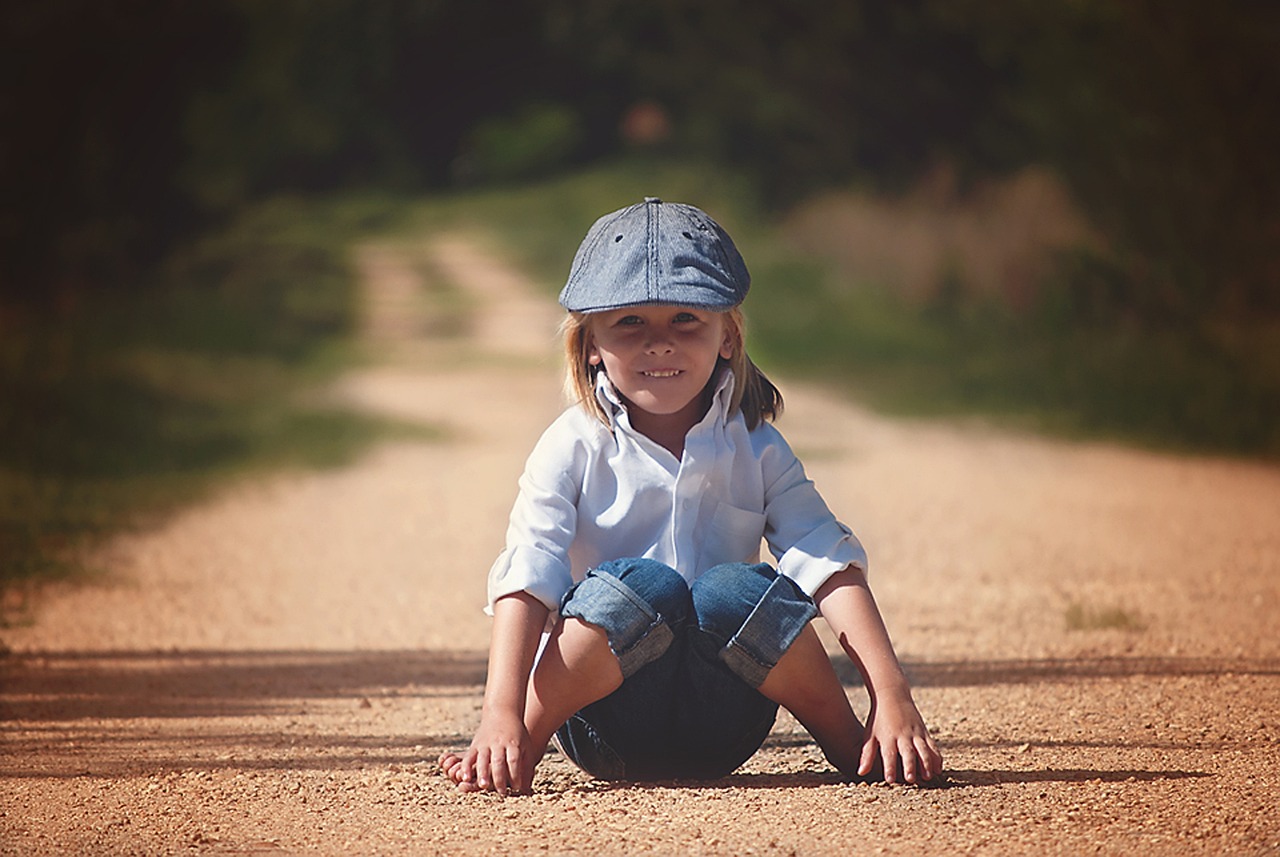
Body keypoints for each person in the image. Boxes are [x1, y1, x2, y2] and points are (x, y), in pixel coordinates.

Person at [439, 198, 941, 796]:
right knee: (646, 587)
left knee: (733, 590)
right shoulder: (571, 444)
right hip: (604, 724)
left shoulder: (756, 445)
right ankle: (522, 743)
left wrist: (892, 693)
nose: (659, 344)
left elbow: (825, 560)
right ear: (590, 344)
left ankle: (849, 740)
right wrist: (500, 713)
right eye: (630, 323)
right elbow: (530, 571)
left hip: (724, 722)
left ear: (727, 336)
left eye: (686, 319)